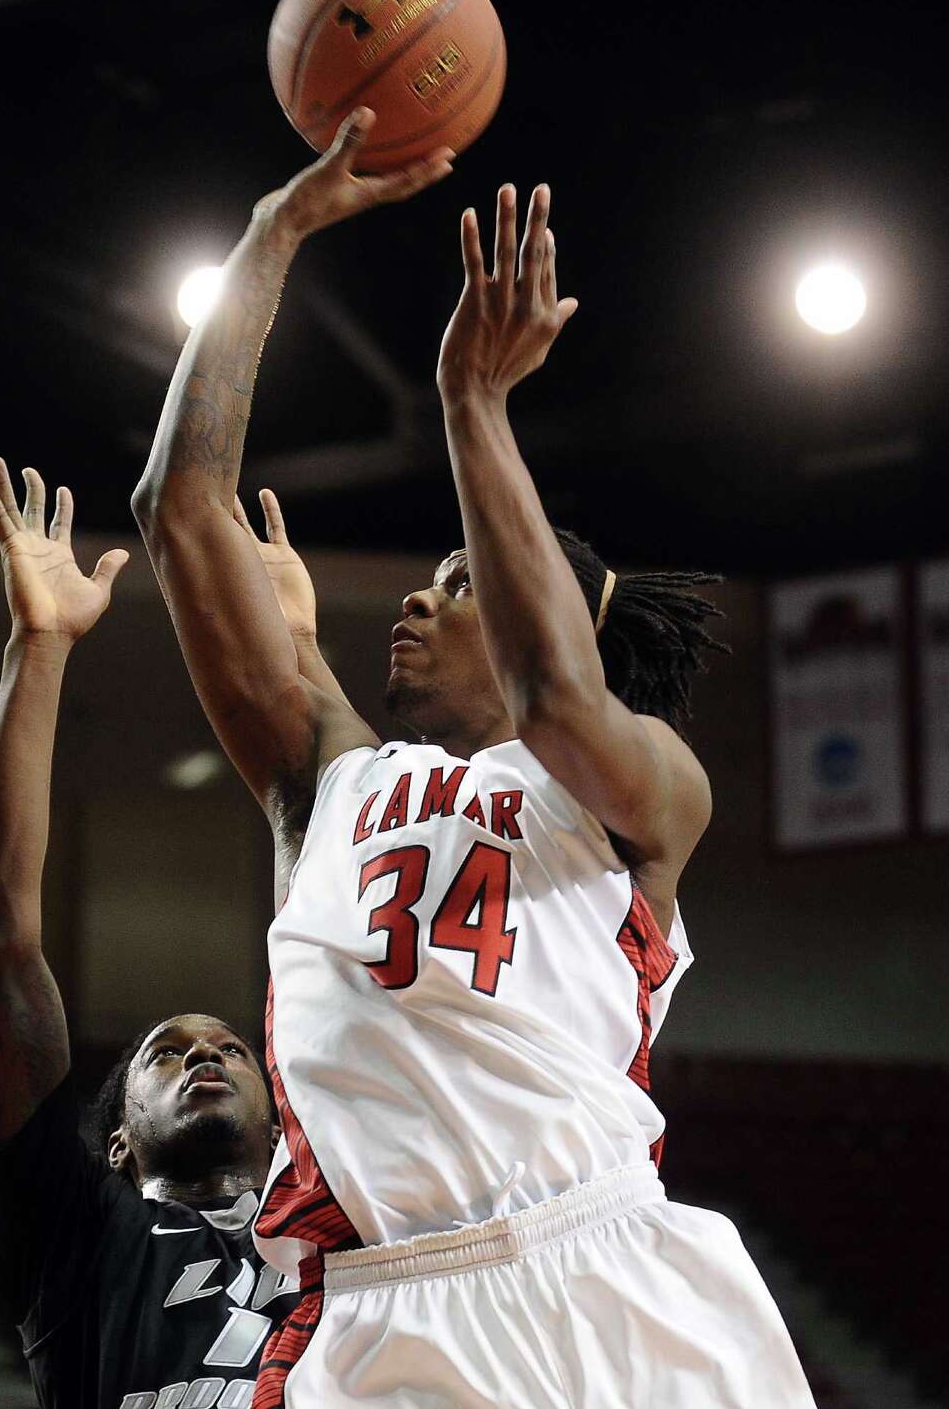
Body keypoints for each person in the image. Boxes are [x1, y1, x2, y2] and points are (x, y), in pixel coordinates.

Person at [133, 108, 815, 1407]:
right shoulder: (335, 783)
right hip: (385, 1311)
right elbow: (177, 512)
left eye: (462, 581)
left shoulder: (641, 788)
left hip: (606, 1277)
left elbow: (560, 690)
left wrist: (472, 399)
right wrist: (270, 236)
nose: (418, 600)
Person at [0, 458, 299, 1409]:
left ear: (283, 1131)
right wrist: (41, 646)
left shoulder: (346, 1224)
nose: (208, 1055)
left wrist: (297, 652)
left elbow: (341, 917)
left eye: (232, 1047)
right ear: (115, 1146)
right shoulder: (78, 1237)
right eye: (167, 1053)